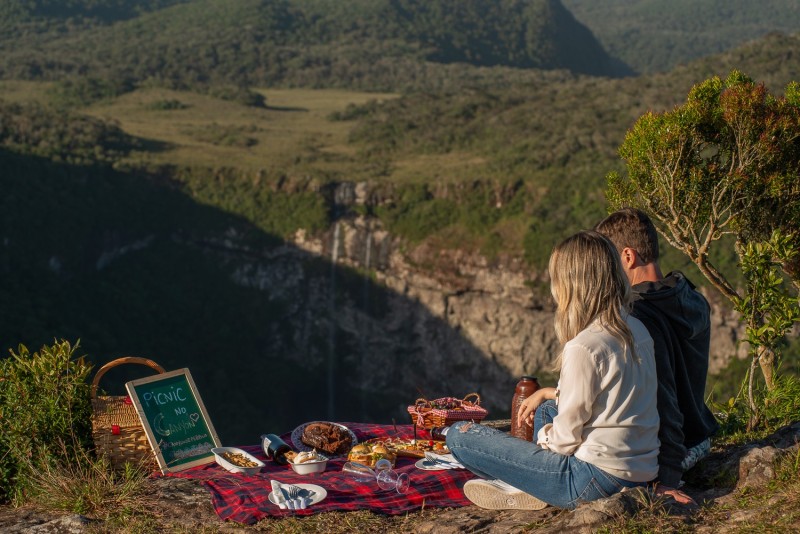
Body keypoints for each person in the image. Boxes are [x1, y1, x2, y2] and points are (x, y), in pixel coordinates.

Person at [445, 230, 660, 510]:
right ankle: (531, 483)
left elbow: (563, 441)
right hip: (640, 472)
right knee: (546, 409)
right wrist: (549, 394)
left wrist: (541, 443)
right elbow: (614, 397)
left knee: (459, 435)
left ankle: (526, 484)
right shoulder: (637, 329)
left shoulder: (584, 346)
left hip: (592, 480)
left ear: (571, 283)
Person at [595, 207, 719, 503]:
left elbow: (664, 395)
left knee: (550, 414)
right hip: (700, 437)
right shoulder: (691, 296)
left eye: (609, 261)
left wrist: (667, 478)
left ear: (627, 257)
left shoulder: (639, 315)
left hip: (670, 452)